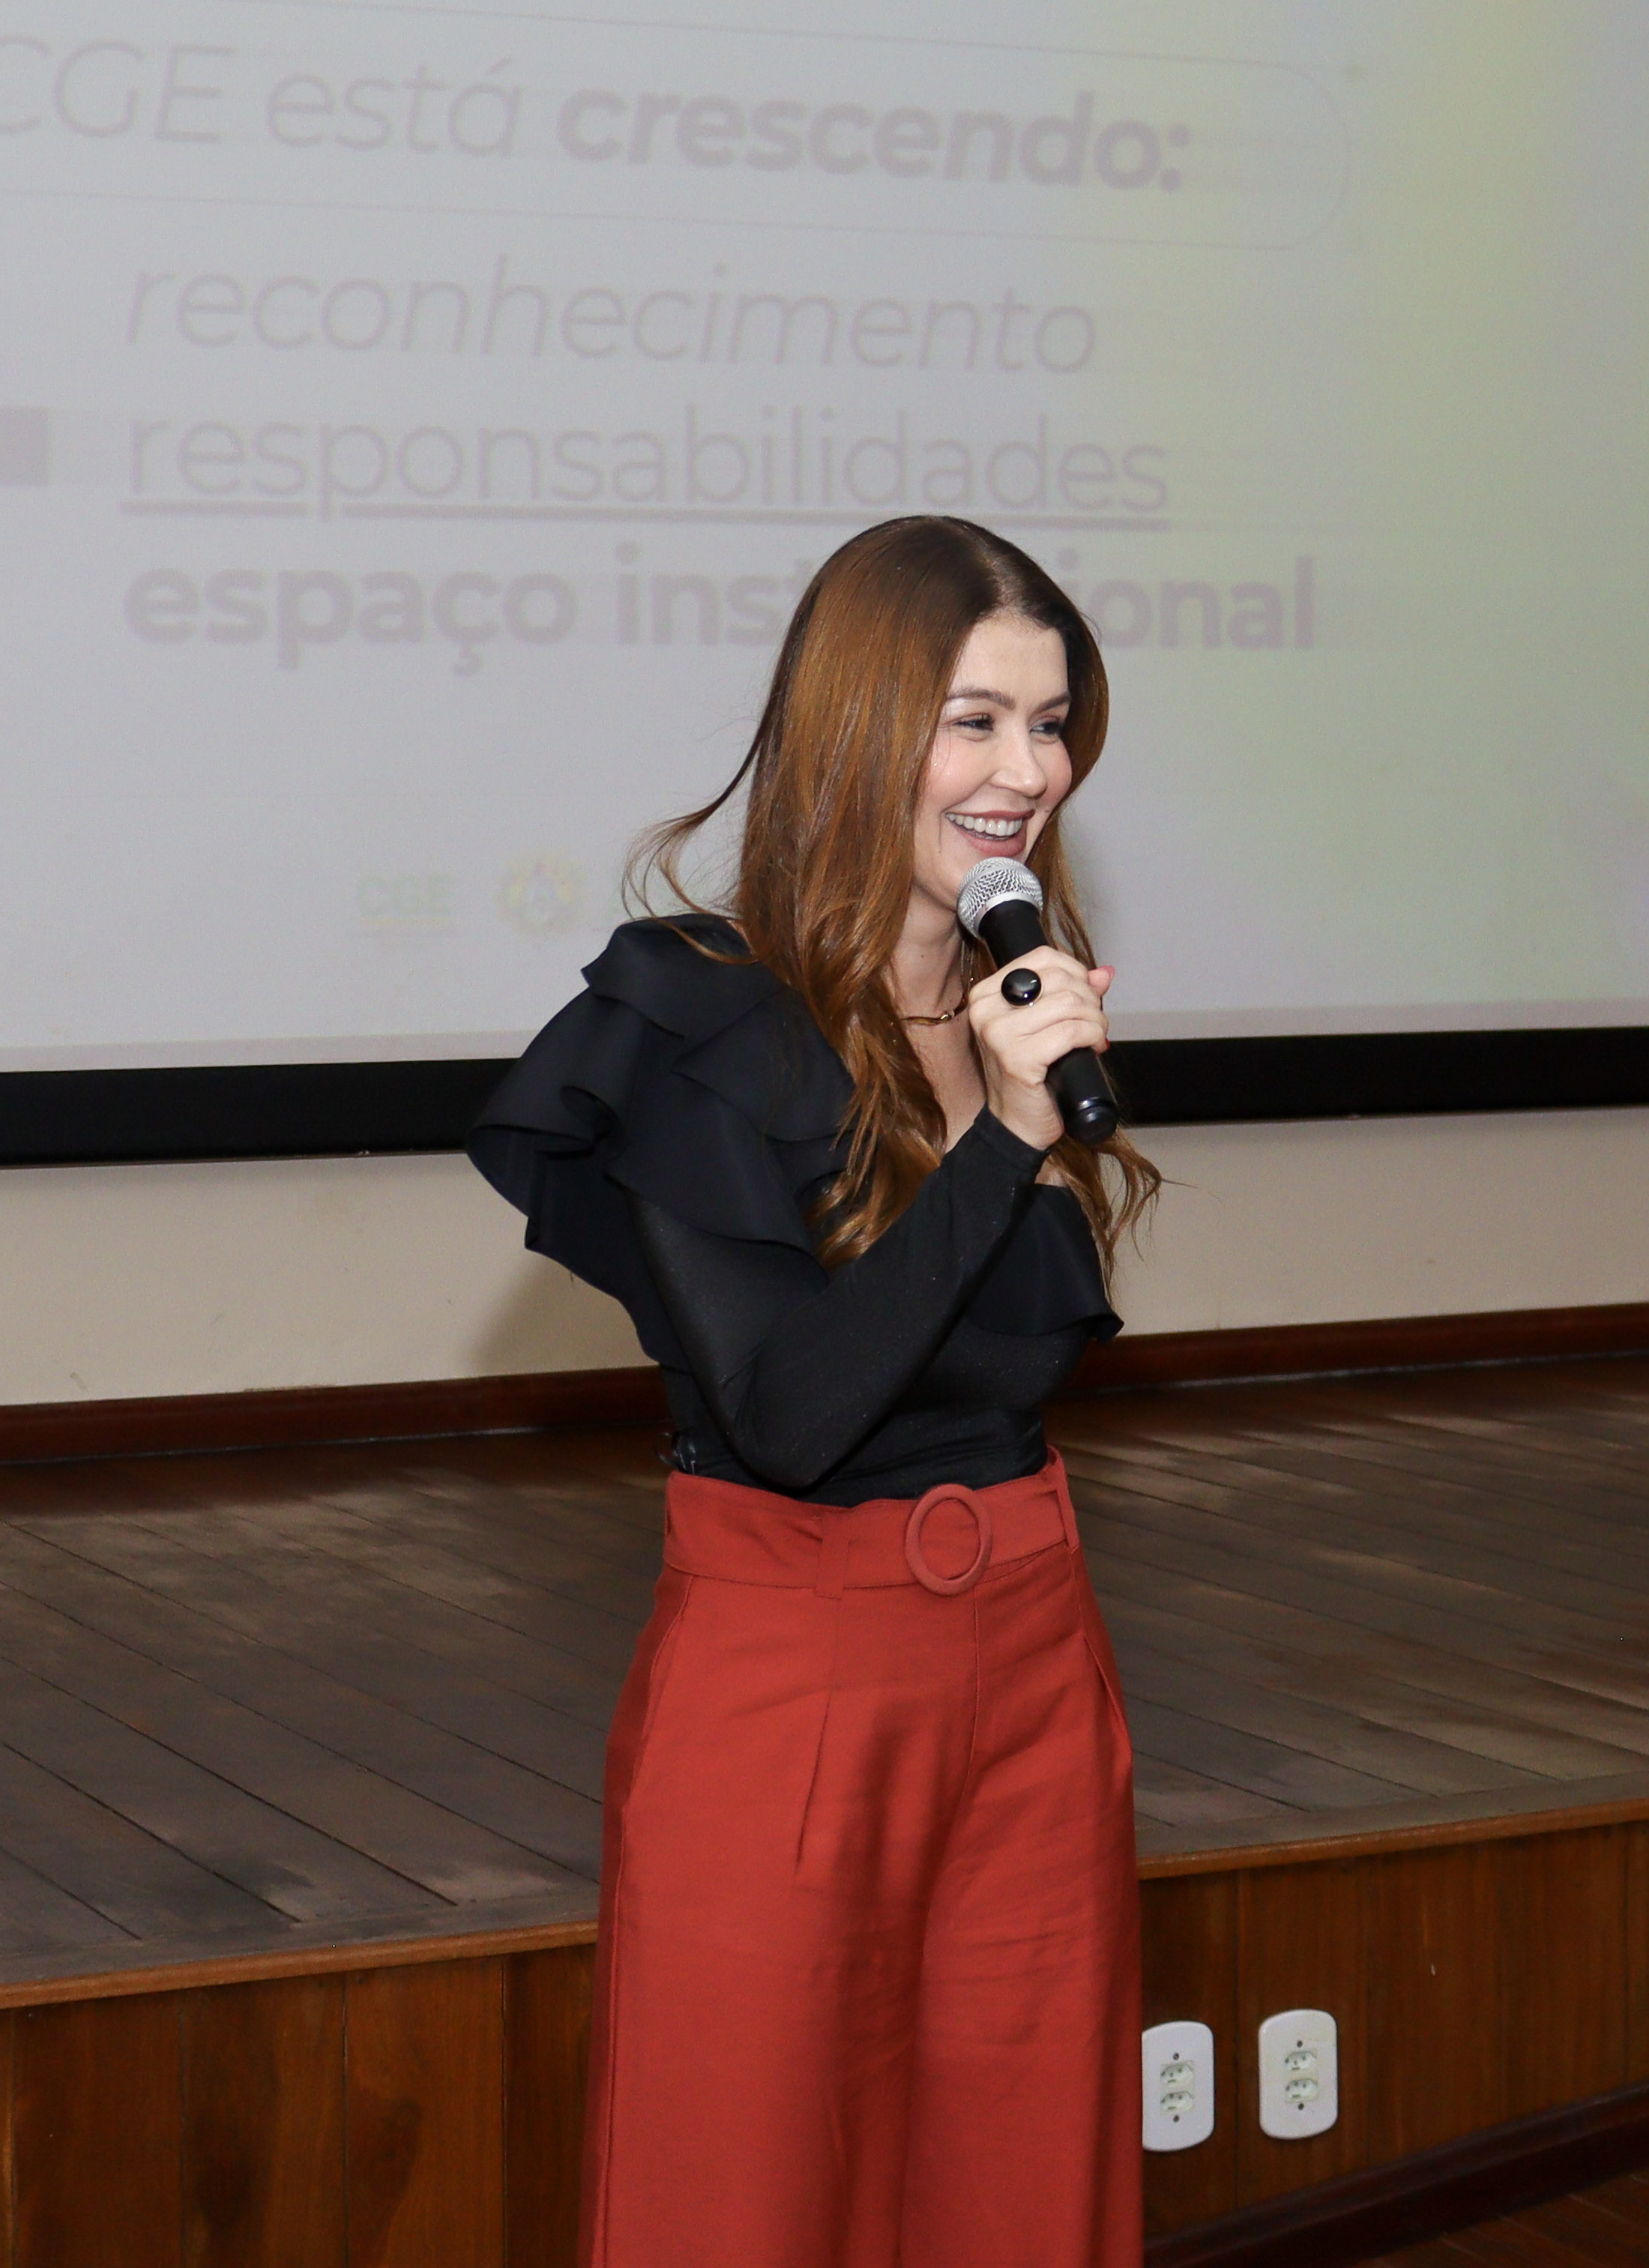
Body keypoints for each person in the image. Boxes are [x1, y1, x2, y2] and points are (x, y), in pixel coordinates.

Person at [471, 513, 1166, 2268]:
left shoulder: (1014, 1004)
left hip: (1033, 1654)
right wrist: (1002, 1144)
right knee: (747, 2200)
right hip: (794, 1672)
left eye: (1051, 721)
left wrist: (1016, 1111)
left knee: (1025, 2188)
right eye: (973, 720)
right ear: (860, 726)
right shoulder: (698, 1021)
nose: (1027, 770)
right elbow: (790, 1412)